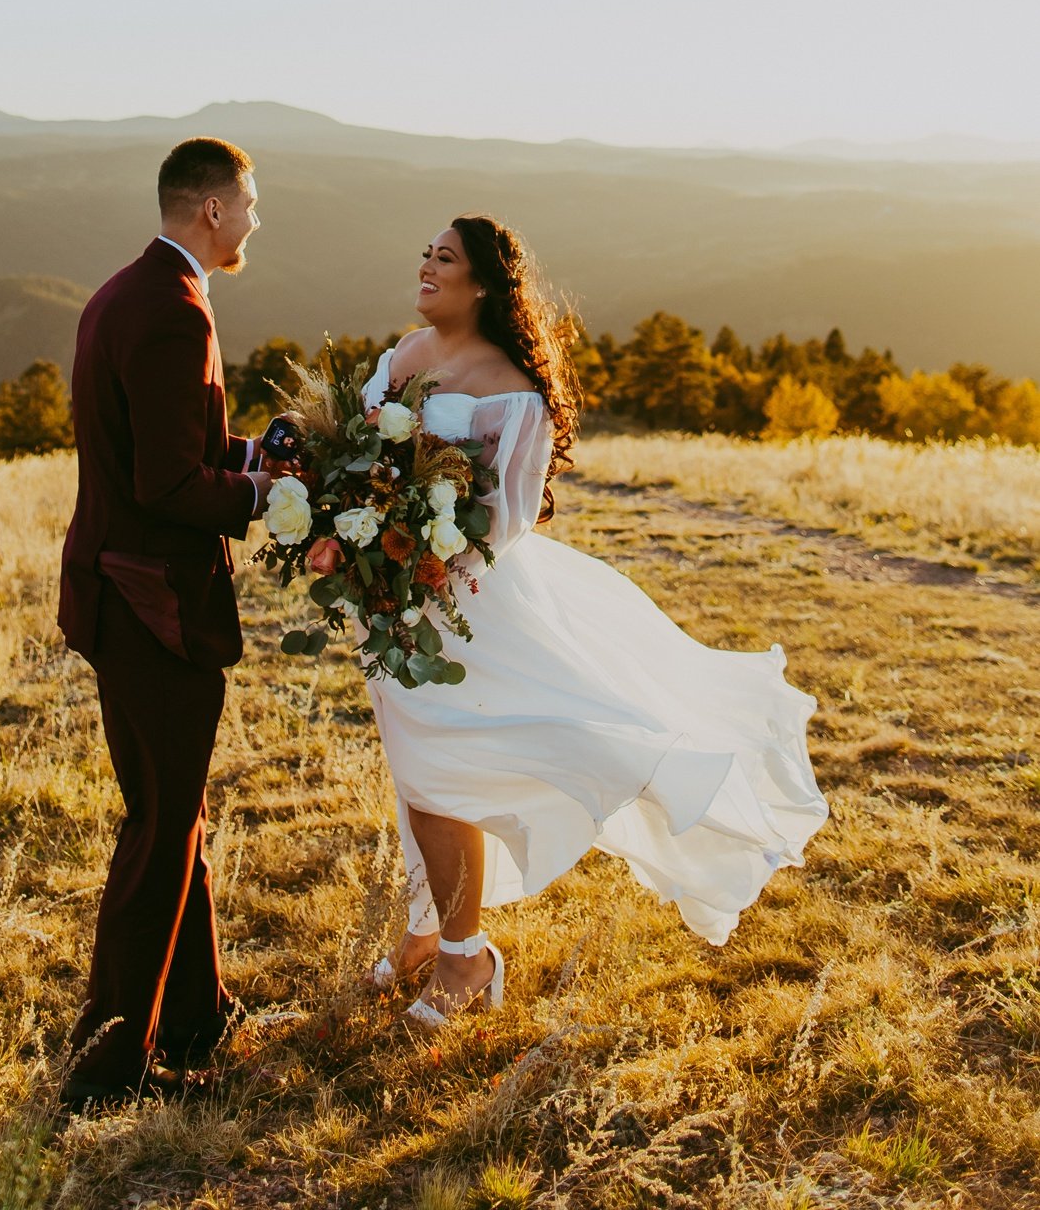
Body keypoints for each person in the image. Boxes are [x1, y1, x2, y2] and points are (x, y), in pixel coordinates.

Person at [360, 215, 829, 1030]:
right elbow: (361, 457)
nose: (427, 266)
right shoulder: (401, 356)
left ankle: (466, 961)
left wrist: (426, 550)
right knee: (415, 770)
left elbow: (503, 520)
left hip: (465, 604)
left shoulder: (512, 390)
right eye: (425, 253)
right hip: (391, 596)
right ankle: (424, 931)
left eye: (445, 259)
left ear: (482, 287)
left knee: (437, 775)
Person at [56, 137, 274, 1109]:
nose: (256, 220)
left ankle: (196, 1013)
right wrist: (266, 495)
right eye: (250, 203)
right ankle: (110, 1062)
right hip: (154, 605)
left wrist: (262, 451)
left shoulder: (126, 291)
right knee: (159, 828)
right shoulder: (175, 312)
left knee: (170, 812)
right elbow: (169, 482)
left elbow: (176, 438)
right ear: (213, 211)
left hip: (114, 590)